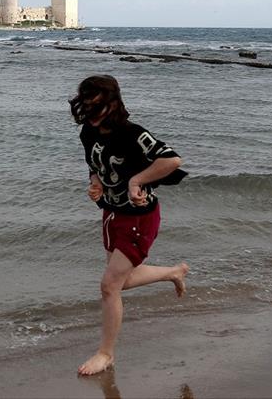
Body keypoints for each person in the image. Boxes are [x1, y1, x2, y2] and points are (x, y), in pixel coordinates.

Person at [69, 74, 189, 376]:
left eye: (96, 109)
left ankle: (105, 354)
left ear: (112, 104)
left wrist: (138, 180)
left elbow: (172, 160)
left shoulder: (132, 134)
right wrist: (95, 182)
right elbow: (94, 165)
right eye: (87, 109)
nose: (91, 117)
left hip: (140, 218)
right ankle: (174, 272)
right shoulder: (88, 132)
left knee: (109, 286)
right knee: (121, 280)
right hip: (111, 213)